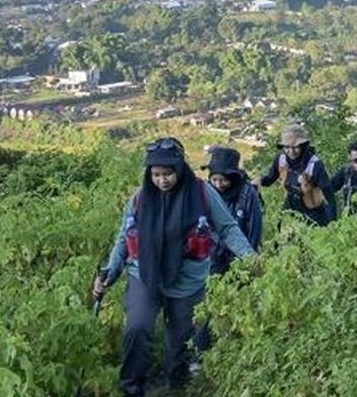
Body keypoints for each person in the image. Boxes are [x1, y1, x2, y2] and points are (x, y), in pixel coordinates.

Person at [91, 137, 255, 395]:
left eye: (168, 174)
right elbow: (124, 238)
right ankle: (132, 387)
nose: (162, 180)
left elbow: (227, 228)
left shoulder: (202, 193)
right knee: (137, 328)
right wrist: (109, 274)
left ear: (179, 169)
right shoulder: (140, 199)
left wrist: (251, 258)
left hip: (187, 281)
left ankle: (176, 387)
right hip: (144, 274)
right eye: (156, 175)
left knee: (179, 342)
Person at [193, 145, 263, 353]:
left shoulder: (247, 194)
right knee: (210, 302)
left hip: (241, 258)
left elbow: (254, 228)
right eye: (214, 179)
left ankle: (239, 348)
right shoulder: (207, 193)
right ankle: (202, 350)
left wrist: (250, 258)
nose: (218, 184)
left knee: (241, 302)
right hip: (214, 256)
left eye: (223, 180)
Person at [259, 124, 336, 226]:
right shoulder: (281, 159)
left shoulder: (315, 165)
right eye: (287, 147)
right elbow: (269, 180)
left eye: (295, 147)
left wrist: (333, 223)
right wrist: (258, 181)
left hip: (313, 212)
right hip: (291, 209)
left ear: (303, 146)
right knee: (283, 233)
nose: (291, 151)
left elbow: (329, 197)